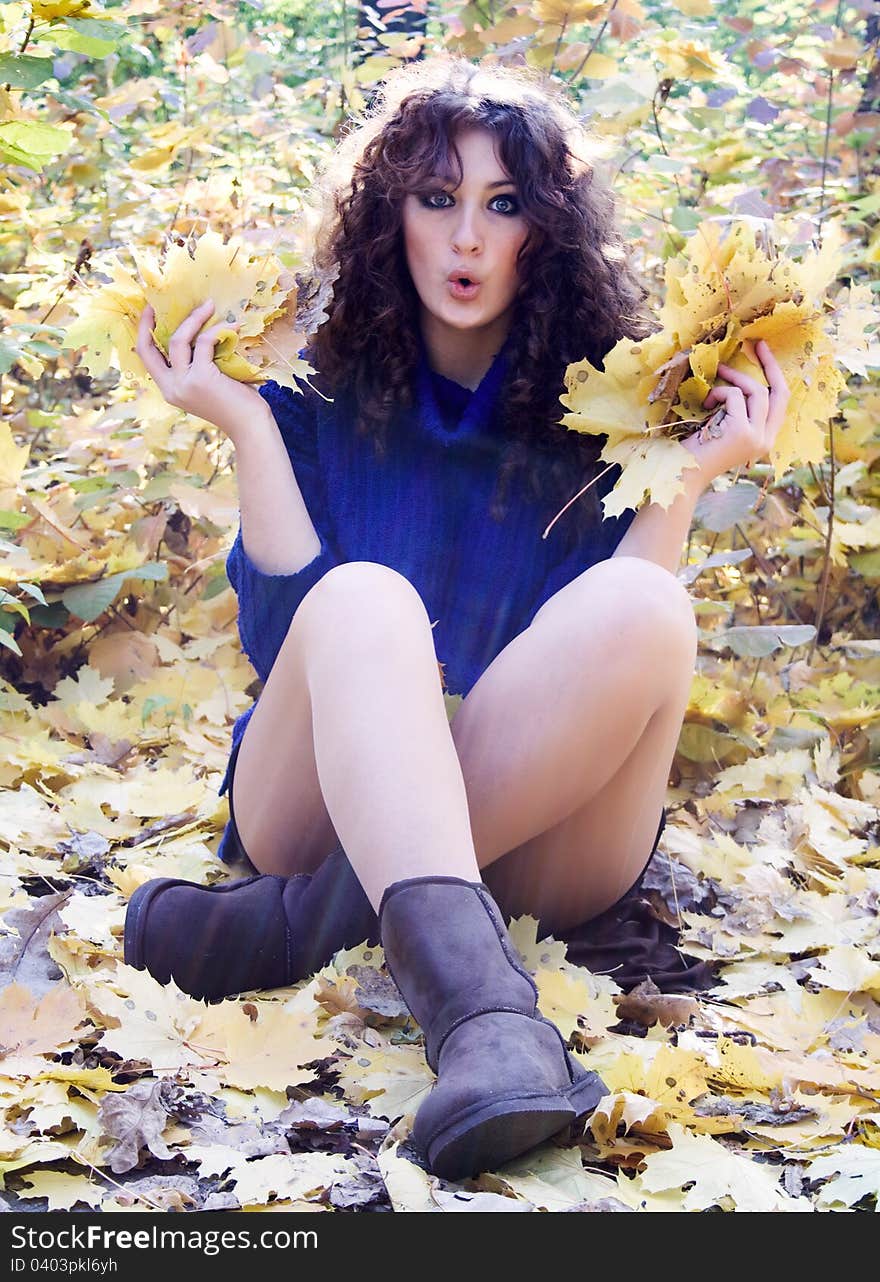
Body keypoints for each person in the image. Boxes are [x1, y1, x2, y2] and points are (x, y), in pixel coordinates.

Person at [125, 54, 791, 1180]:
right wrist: (246, 428)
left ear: (548, 229)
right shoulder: (313, 395)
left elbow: (617, 667)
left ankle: (305, 924)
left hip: (538, 842)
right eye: (437, 200)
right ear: (392, 216)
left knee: (643, 599)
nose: (467, 239)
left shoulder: (606, 413)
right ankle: (488, 1021)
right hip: (317, 805)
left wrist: (686, 471)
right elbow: (286, 641)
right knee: (364, 596)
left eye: (503, 204)